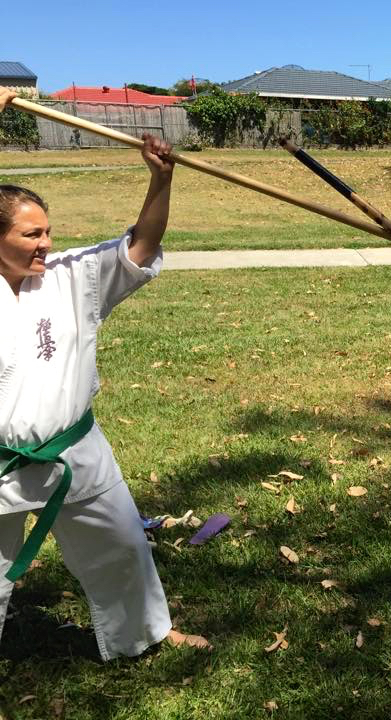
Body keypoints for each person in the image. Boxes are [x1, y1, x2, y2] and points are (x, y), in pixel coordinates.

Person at [0, 88, 208, 658]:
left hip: (75, 448)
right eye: (31, 235)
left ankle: (146, 632)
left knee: (122, 547)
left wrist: (161, 179)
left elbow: (140, 246)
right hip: (2, 462)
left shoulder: (69, 277)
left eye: (47, 231)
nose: (47, 244)